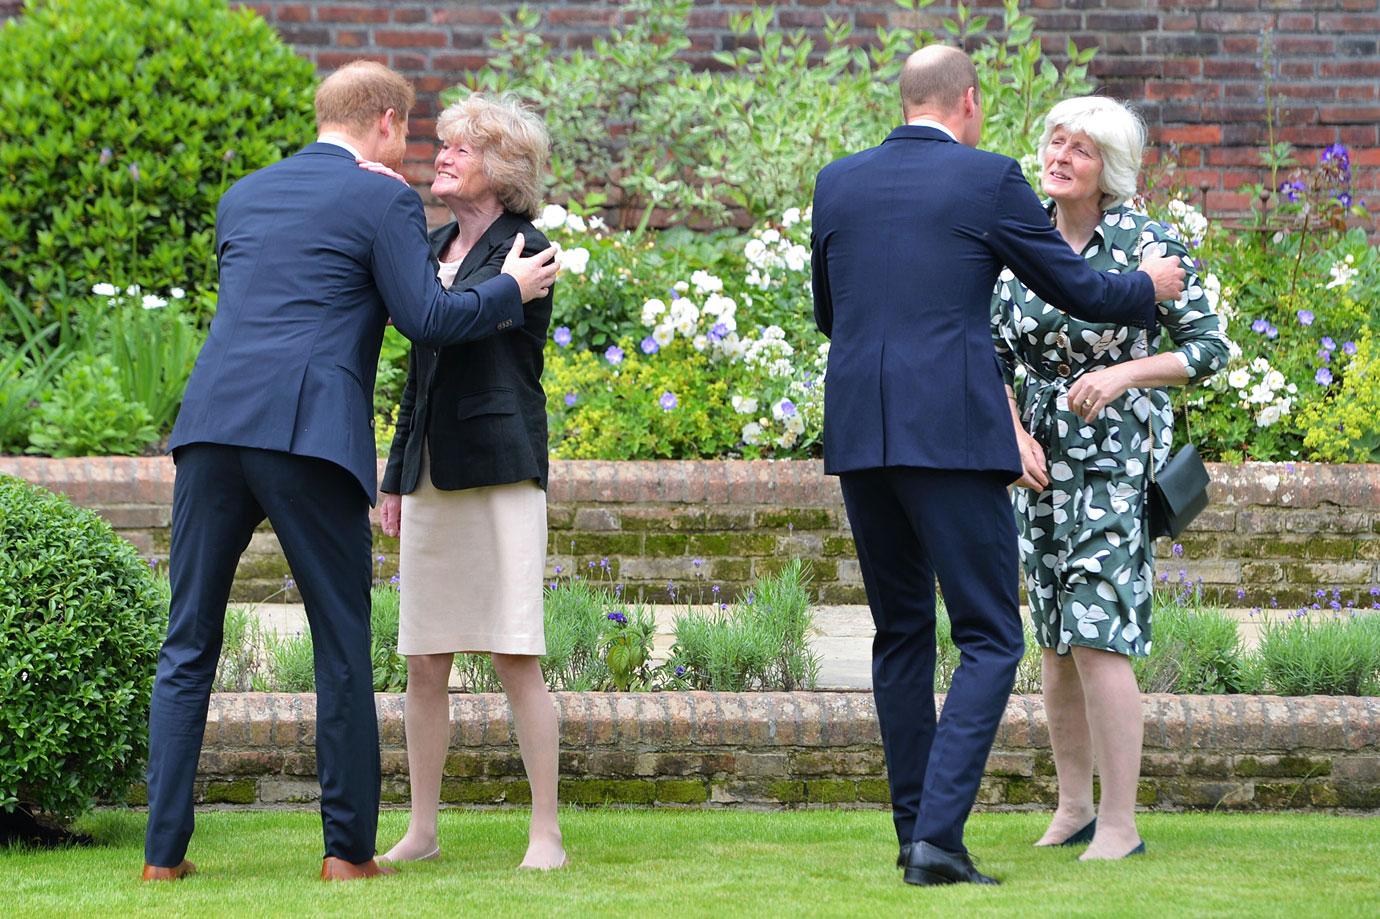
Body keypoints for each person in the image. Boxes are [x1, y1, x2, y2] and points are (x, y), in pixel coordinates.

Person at [142, 62, 558, 882]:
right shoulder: (385, 200)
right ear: (389, 123)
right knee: (340, 643)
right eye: (414, 136)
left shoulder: (245, 195)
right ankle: (346, 854)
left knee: (187, 642)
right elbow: (426, 317)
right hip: (308, 433)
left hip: (211, 426)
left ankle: (162, 858)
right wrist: (508, 289)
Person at [810, 45, 1186, 887]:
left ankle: (914, 831)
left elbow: (830, 313)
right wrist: (1149, 286)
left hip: (862, 438)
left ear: (905, 100)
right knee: (989, 634)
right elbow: (1078, 289)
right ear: (968, 102)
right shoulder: (987, 178)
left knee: (900, 634)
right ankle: (939, 839)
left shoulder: (837, 181)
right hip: (949, 437)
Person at [991, 96, 1231, 861]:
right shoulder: (1018, 234)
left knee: (1100, 635)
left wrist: (1125, 374)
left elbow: (1209, 350)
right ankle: (1073, 809)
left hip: (1113, 458)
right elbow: (988, 351)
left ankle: (1121, 822)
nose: (1059, 156)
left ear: (1110, 172)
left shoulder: (1146, 242)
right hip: (1038, 466)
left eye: (1080, 150)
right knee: (1056, 640)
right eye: (1055, 141)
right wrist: (1013, 432)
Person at [374, 93, 565, 871]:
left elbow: (453, 323)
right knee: (424, 657)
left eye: (460, 148)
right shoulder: (432, 243)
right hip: (427, 476)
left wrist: (489, 290)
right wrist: (393, 477)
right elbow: (417, 376)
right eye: (442, 146)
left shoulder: (532, 251)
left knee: (516, 653)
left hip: (498, 472)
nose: (441, 156)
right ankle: (422, 829)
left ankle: (545, 832)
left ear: (503, 166)